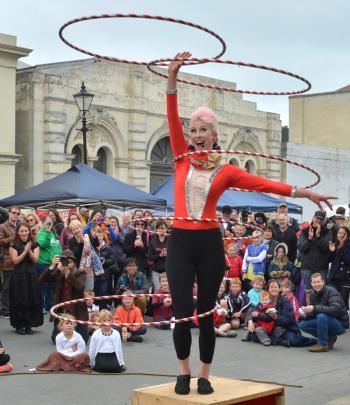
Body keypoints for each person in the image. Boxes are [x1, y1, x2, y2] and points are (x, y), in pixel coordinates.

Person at [165, 51, 335, 395]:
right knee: (182, 312)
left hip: (209, 244)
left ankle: (204, 374)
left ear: (215, 135)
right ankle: (183, 372)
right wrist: (172, 76)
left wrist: (305, 193)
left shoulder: (226, 171)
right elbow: (171, 114)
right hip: (180, 242)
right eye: (193, 129)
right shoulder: (181, 158)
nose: (197, 135)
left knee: (205, 311)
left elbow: (267, 185)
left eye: (204, 130)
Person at [39, 250, 89, 343]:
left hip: (77, 311)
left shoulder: (80, 272)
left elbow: (79, 286)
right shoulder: (58, 272)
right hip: (62, 311)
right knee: (56, 339)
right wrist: (52, 266)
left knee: (83, 340)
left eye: (69, 262)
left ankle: (87, 329)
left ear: (74, 263)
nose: (67, 264)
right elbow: (42, 280)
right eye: (65, 262)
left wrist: (68, 274)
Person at [299, 273, 349, 352]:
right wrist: (304, 314)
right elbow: (314, 313)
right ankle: (329, 338)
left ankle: (323, 344)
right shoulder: (312, 293)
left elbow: (335, 310)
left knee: (321, 316)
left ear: (323, 282)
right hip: (325, 320)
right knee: (303, 324)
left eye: (318, 282)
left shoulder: (331, 291)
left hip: (340, 324)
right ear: (311, 284)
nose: (316, 284)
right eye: (314, 282)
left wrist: (314, 308)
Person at [8, 223, 43, 334]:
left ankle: (29, 325)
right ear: (18, 232)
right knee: (19, 299)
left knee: (31, 298)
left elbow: (35, 260)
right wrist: (24, 251)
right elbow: (16, 261)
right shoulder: (13, 244)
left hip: (31, 276)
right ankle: (19, 325)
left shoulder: (35, 244)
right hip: (18, 276)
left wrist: (29, 250)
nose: (24, 233)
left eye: (26, 231)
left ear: (29, 231)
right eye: (22, 231)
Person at [298, 210, 333, 305]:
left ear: (324, 220)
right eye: (317, 218)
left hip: (322, 267)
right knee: (308, 292)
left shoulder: (327, 232)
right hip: (307, 266)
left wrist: (318, 236)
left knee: (323, 292)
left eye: (321, 219)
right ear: (313, 218)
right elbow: (301, 247)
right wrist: (309, 239)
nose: (319, 220)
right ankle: (310, 313)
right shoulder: (305, 231)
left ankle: (322, 312)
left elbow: (327, 247)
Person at [36, 215, 62, 313]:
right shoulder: (40, 233)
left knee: (51, 286)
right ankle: (42, 306)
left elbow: (57, 247)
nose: (49, 225)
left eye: (50, 223)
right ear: (42, 223)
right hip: (43, 263)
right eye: (47, 223)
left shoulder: (53, 233)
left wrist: (59, 256)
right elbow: (42, 244)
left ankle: (49, 305)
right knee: (43, 285)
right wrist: (47, 232)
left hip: (53, 263)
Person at [0, 207, 20, 318]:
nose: (15, 214)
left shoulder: (20, 225)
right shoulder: (2, 226)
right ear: (9, 213)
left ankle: (13, 308)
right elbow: (1, 241)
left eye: (17, 213)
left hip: (20, 259)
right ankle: (5, 310)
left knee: (17, 286)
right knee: (6, 286)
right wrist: (14, 237)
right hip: (7, 260)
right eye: (14, 212)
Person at [328, 226, 350, 309]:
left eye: (342, 233)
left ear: (347, 235)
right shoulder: (335, 244)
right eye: (339, 233)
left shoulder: (348, 245)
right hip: (334, 278)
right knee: (333, 301)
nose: (340, 235)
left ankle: (344, 321)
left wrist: (342, 247)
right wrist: (332, 251)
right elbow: (330, 260)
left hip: (345, 279)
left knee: (343, 302)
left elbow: (348, 261)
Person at [148, 220, 169, 291]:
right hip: (156, 271)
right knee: (158, 291)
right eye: (159, 228)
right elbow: (150, 257)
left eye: (163, 228)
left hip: (168, 271)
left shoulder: (171, 240)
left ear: (166, 229)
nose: (161, 230)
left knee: (169, 291)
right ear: (156, 229)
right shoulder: (152, 241)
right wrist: (160, 255)